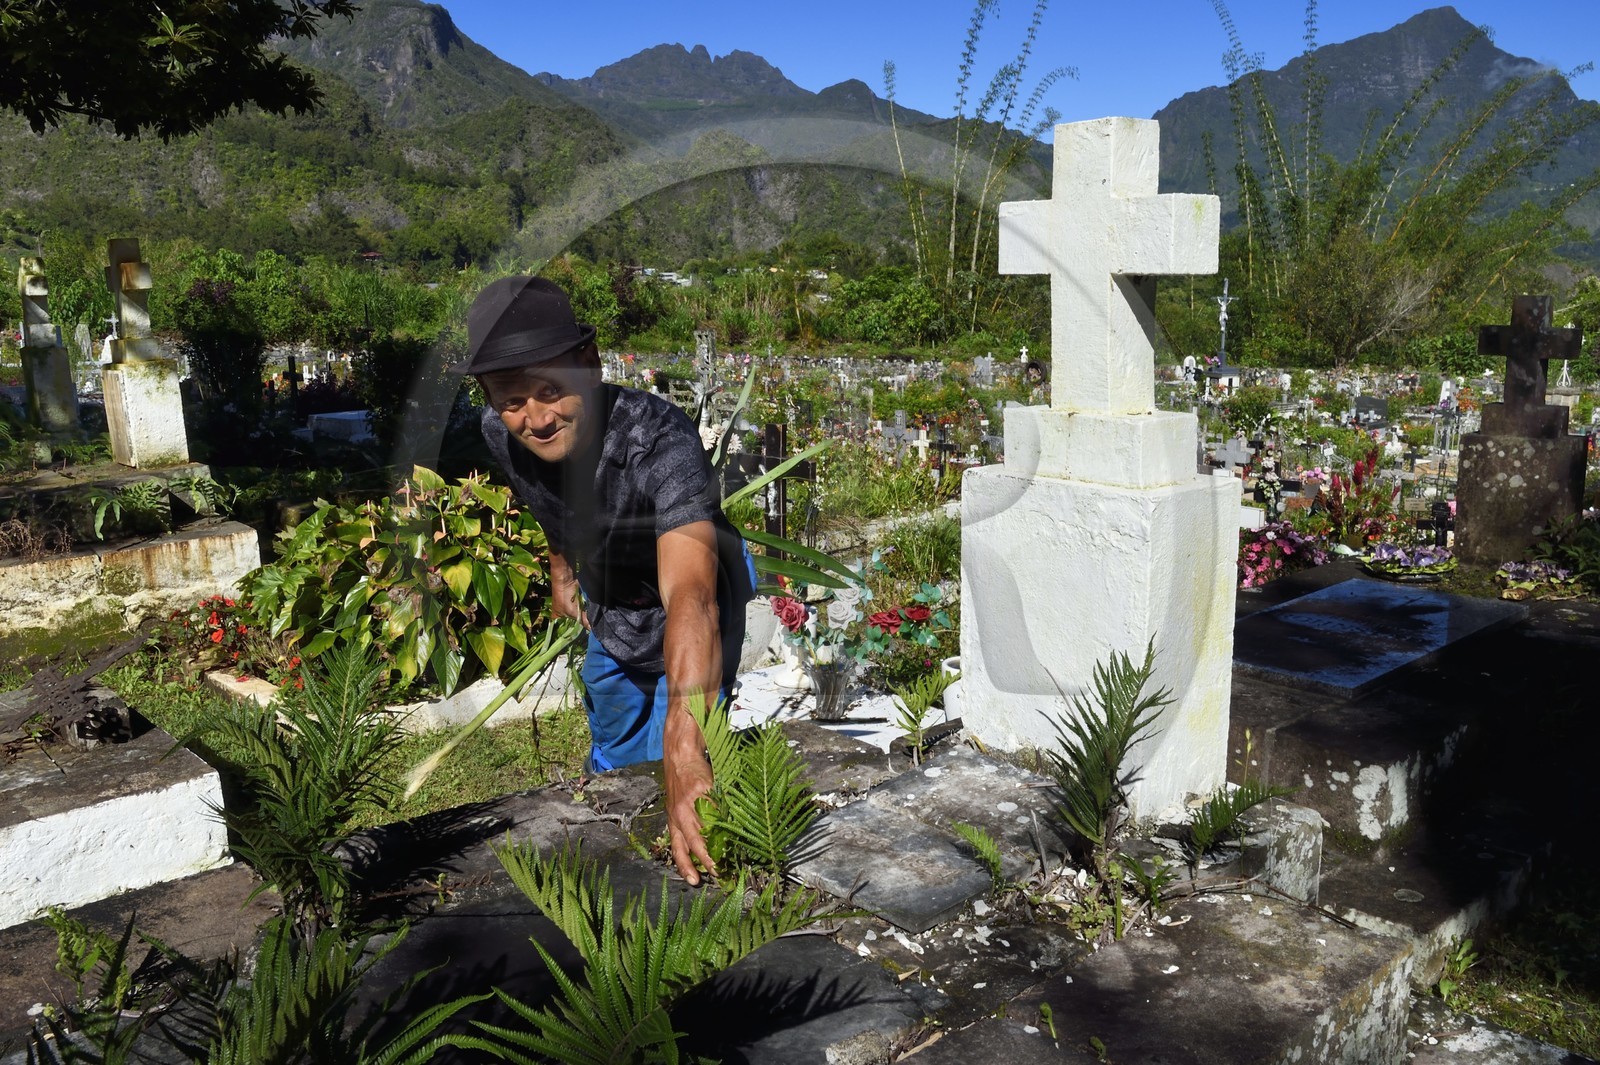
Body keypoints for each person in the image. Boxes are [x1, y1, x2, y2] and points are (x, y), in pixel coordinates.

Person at [452, 276, 754, 886]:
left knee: (689, 742)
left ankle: (699, 854)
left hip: (690, 592)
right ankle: (629, 852)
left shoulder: (658, 443)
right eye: (511, 400)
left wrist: (684, 743)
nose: (535, 419)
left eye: (549, 390)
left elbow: (691, 597)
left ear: (589, 365)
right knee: (615, 730)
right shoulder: (499, 435)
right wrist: (563, 570)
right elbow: (546, 500)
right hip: (611, 597)